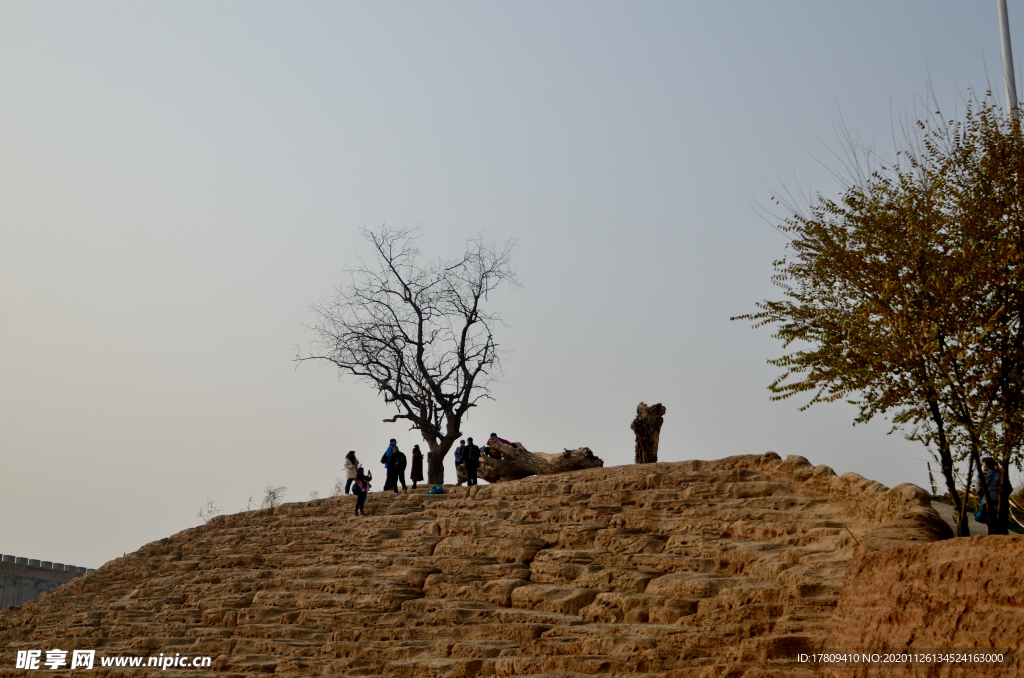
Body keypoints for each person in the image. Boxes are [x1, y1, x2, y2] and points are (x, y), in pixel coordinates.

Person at [975, 457, 1003, 523]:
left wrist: (980, 496)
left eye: (983, 463)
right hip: (999, 500)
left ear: (987, 465)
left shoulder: (982, 475)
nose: (982, 465)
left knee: (989, 521)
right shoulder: (1001, 474)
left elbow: (978, 489)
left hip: (987, 500)